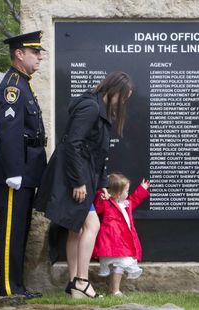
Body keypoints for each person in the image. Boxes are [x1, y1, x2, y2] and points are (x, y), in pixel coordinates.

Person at [35, 71, 134, 298]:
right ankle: (81, 280)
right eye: (123, 97)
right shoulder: (91, 108)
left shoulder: (96, 107)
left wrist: (101, 187)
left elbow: (98, 154)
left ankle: (73, 284)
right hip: (73, 177)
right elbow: (72, 144)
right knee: (92, 225)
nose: (123, 103)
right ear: (114, 90)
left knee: (76, 228)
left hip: (80, 176)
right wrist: (78, 181)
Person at [0, 31, 47, 299]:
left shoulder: (24, 83)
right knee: (13, 231)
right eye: (35, 52)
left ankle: (18, 287)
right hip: (16, 172)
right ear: (19, 54)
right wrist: (14, 172)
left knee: (20, 229)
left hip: (26, 169)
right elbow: (10, 132)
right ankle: (11, 289)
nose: (39, 57)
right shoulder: (13, 86)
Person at [92, 174, 150, 296]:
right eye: (126, 191)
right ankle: (115, 291)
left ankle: (113, 290)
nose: (128, 193)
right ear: (118, 193)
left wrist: (142, 189)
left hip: (123, 243)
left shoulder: (126, 204)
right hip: (112, 242)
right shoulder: (106, 203)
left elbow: (135, 199)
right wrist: (101, 196)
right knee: (119, 265)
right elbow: (97, 208)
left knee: (119, 266)